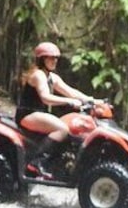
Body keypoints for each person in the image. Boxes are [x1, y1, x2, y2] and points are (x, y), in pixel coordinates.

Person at [15, 41, 99, 177]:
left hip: (40, 113)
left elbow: (71, 91)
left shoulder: (51, 77)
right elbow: (45, 97)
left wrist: (93, 101)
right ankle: (37, 162)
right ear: (42, 59)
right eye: (51, 57)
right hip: (28, 114)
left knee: (70, 129)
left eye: (56, 58)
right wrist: (70, 102)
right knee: (62, 129)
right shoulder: (38, 75)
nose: (54, 61)